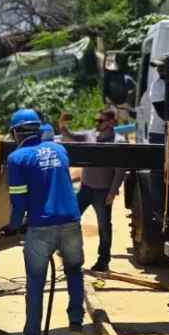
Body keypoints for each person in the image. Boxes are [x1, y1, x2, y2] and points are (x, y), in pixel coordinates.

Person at [2, 108, 84, 335]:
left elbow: (19, 200)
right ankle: (75, 318)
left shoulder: (17, 158)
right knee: (73, 269)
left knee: (36, 284)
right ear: (38, 128)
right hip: (71, 220)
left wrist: (14, 226)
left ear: (16, 133)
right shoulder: (60, 150)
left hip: (41, 228)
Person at [59, 110, 126, 272]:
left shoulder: (118, 142)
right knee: (69, 219)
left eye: (100, 120)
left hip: (103, 193)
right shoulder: (90, 136)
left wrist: (113, 191)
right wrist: (62, 126)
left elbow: (120, 169)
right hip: (85, 189)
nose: (97, 123)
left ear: (111, 122)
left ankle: (103, 261)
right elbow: (71, 136)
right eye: (96, 120)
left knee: (104, 228)